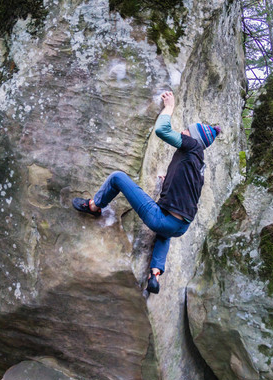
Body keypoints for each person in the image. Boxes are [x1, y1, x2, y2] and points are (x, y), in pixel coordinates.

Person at [72, 91, 220, 294]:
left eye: (186, 130)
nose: (183, 132)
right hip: (179, 226)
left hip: (163, 220)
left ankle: (94, 206)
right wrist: (164, 184)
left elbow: (162, 131)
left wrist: (169, 107)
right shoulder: (198, 162)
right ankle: (155, 273)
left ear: (193, 137)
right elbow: (187, 189)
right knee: (164, 233)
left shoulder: (192, 146)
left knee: (117, 177)